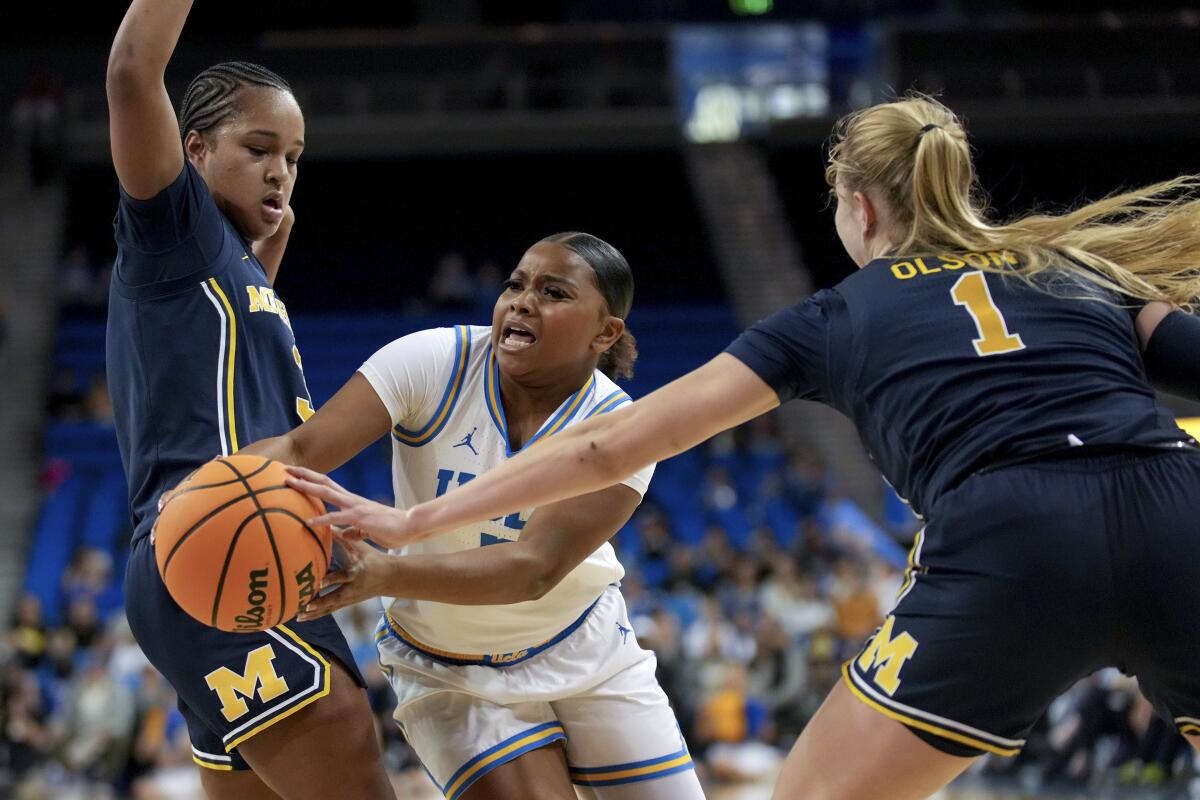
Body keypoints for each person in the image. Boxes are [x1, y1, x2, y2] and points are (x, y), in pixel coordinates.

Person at [286, 94, 1200, 800]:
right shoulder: (1079, 271)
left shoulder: (834, 315)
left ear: (858, 206)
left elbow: (611, 446)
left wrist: (417, 520)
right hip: (1177, 510)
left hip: (1013, 537)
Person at [241, 233, 704, 800]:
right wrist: (205, 488)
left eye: (553, 292)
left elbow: (532, 568)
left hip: (587, 650)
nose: (522, 301)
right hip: (448, 671)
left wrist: (383, 574)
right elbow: (300, 451)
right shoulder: (434, 361)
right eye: (516, 284)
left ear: (605, 333)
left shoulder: (618, 424)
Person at [104, 2, 394, 798]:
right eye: (258, 148)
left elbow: (234, 383)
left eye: (294, 157)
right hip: (220, 544)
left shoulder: (230, 272)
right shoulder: (175, 234)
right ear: (192, 150)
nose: (280, 171)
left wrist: (264, 263)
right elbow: (133, 69)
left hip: (222, 560)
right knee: (353, 759)